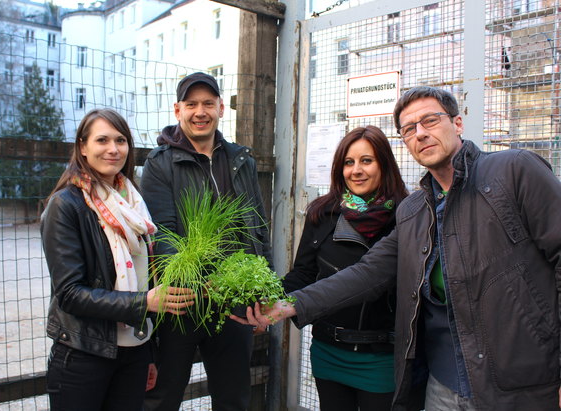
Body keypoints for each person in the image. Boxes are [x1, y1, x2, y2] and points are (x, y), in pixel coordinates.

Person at [236, 86, 561, 410]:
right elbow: (367, 273)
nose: (420, 134)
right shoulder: (416, 211)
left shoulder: (513, 171)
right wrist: (289, 304)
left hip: (520, 382)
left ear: (458, 123)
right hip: (443, 383)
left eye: (430, 121)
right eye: (409, 129)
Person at [41, 108, 195, 410]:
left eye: (121, 140)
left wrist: (147, 353)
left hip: (134, 351)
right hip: (84, 354)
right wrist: (143, 304)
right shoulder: (65, 206)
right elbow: (70, 294)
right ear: (83, 148)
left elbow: (141, 277)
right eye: (102, 140)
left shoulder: (133, 203)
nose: (113, 149)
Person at [141, 72, 272, 411]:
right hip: (180, 302)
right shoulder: (160, 163)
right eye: (192, 104)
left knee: (233, 397)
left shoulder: (241, 160)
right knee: (164, 396)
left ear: (221, 109)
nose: (200, 112)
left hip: (234, 300)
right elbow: (162, 234)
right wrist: (200, 281)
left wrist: (265, 291)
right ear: (177, 110)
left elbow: (258, 229)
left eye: (208, 104)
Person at [283, 125, 408, 411]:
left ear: (384, 164)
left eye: (367, 161)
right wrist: (267, 300)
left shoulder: (405, 215)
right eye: (348, 163)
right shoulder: (323, 212)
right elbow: (302, 274)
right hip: (329, 350)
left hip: (380, 356)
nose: (356, 171)